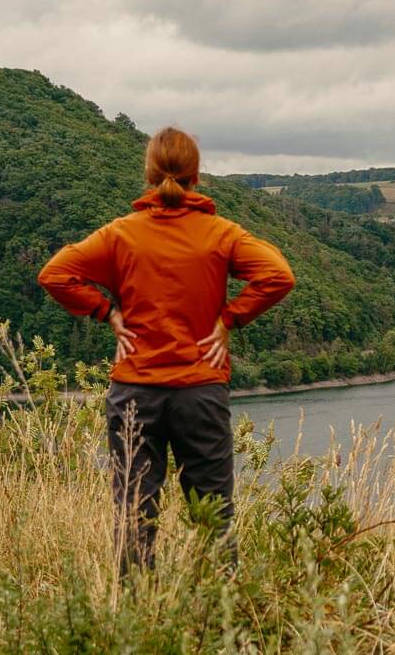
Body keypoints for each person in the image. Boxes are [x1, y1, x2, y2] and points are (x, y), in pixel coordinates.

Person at [38, 127, 295, 573]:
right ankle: (217, 604)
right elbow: (279, 275)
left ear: (149, 174)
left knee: (134, 509)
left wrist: (107, 313)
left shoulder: (121, 234)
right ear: (197, 175)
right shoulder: (221, 233)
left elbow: (55, 274)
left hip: (134, 392)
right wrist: (228, 320)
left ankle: (137, 605)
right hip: (201, 391)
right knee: (213, 512)